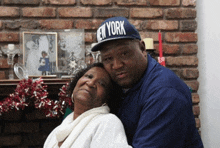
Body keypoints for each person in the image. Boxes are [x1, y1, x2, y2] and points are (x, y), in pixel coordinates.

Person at [91, 17, 204, 148]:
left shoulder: (165, 92)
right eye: (108, 58)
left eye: (124, 54)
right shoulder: (122, 84)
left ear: (142, 48)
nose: (116, 65)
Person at [43, 63, 131, 148]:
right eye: (89, 76)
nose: (90, 83)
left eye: (101, 83)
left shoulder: (107, 122)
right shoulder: (55, 133)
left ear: (108, 98)